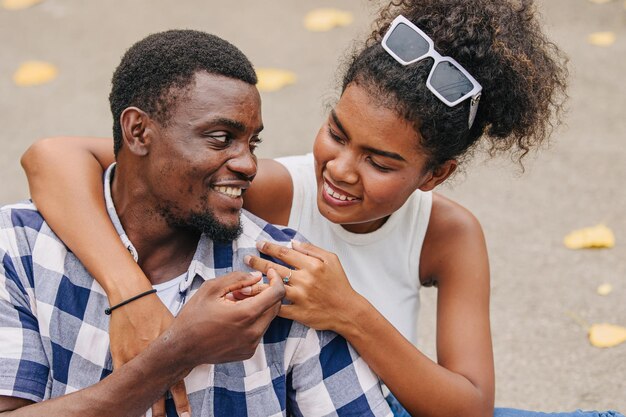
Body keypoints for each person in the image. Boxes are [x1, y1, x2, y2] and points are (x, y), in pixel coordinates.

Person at [18, 1, 624, 417]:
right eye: (337, 132)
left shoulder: (448, 234)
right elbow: (55, 157)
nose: (340, 169)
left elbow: (469, 405)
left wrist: (349, 312)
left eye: (381, 163)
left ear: (435, 174)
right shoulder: (268, 187)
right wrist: (129, 292)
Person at [0, 29, 394, 417]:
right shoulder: (21, 248)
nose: (249, 164)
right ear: (138, 132)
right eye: (221, 138)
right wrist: (176, 352)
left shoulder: (280, 274)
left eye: (251, 143)